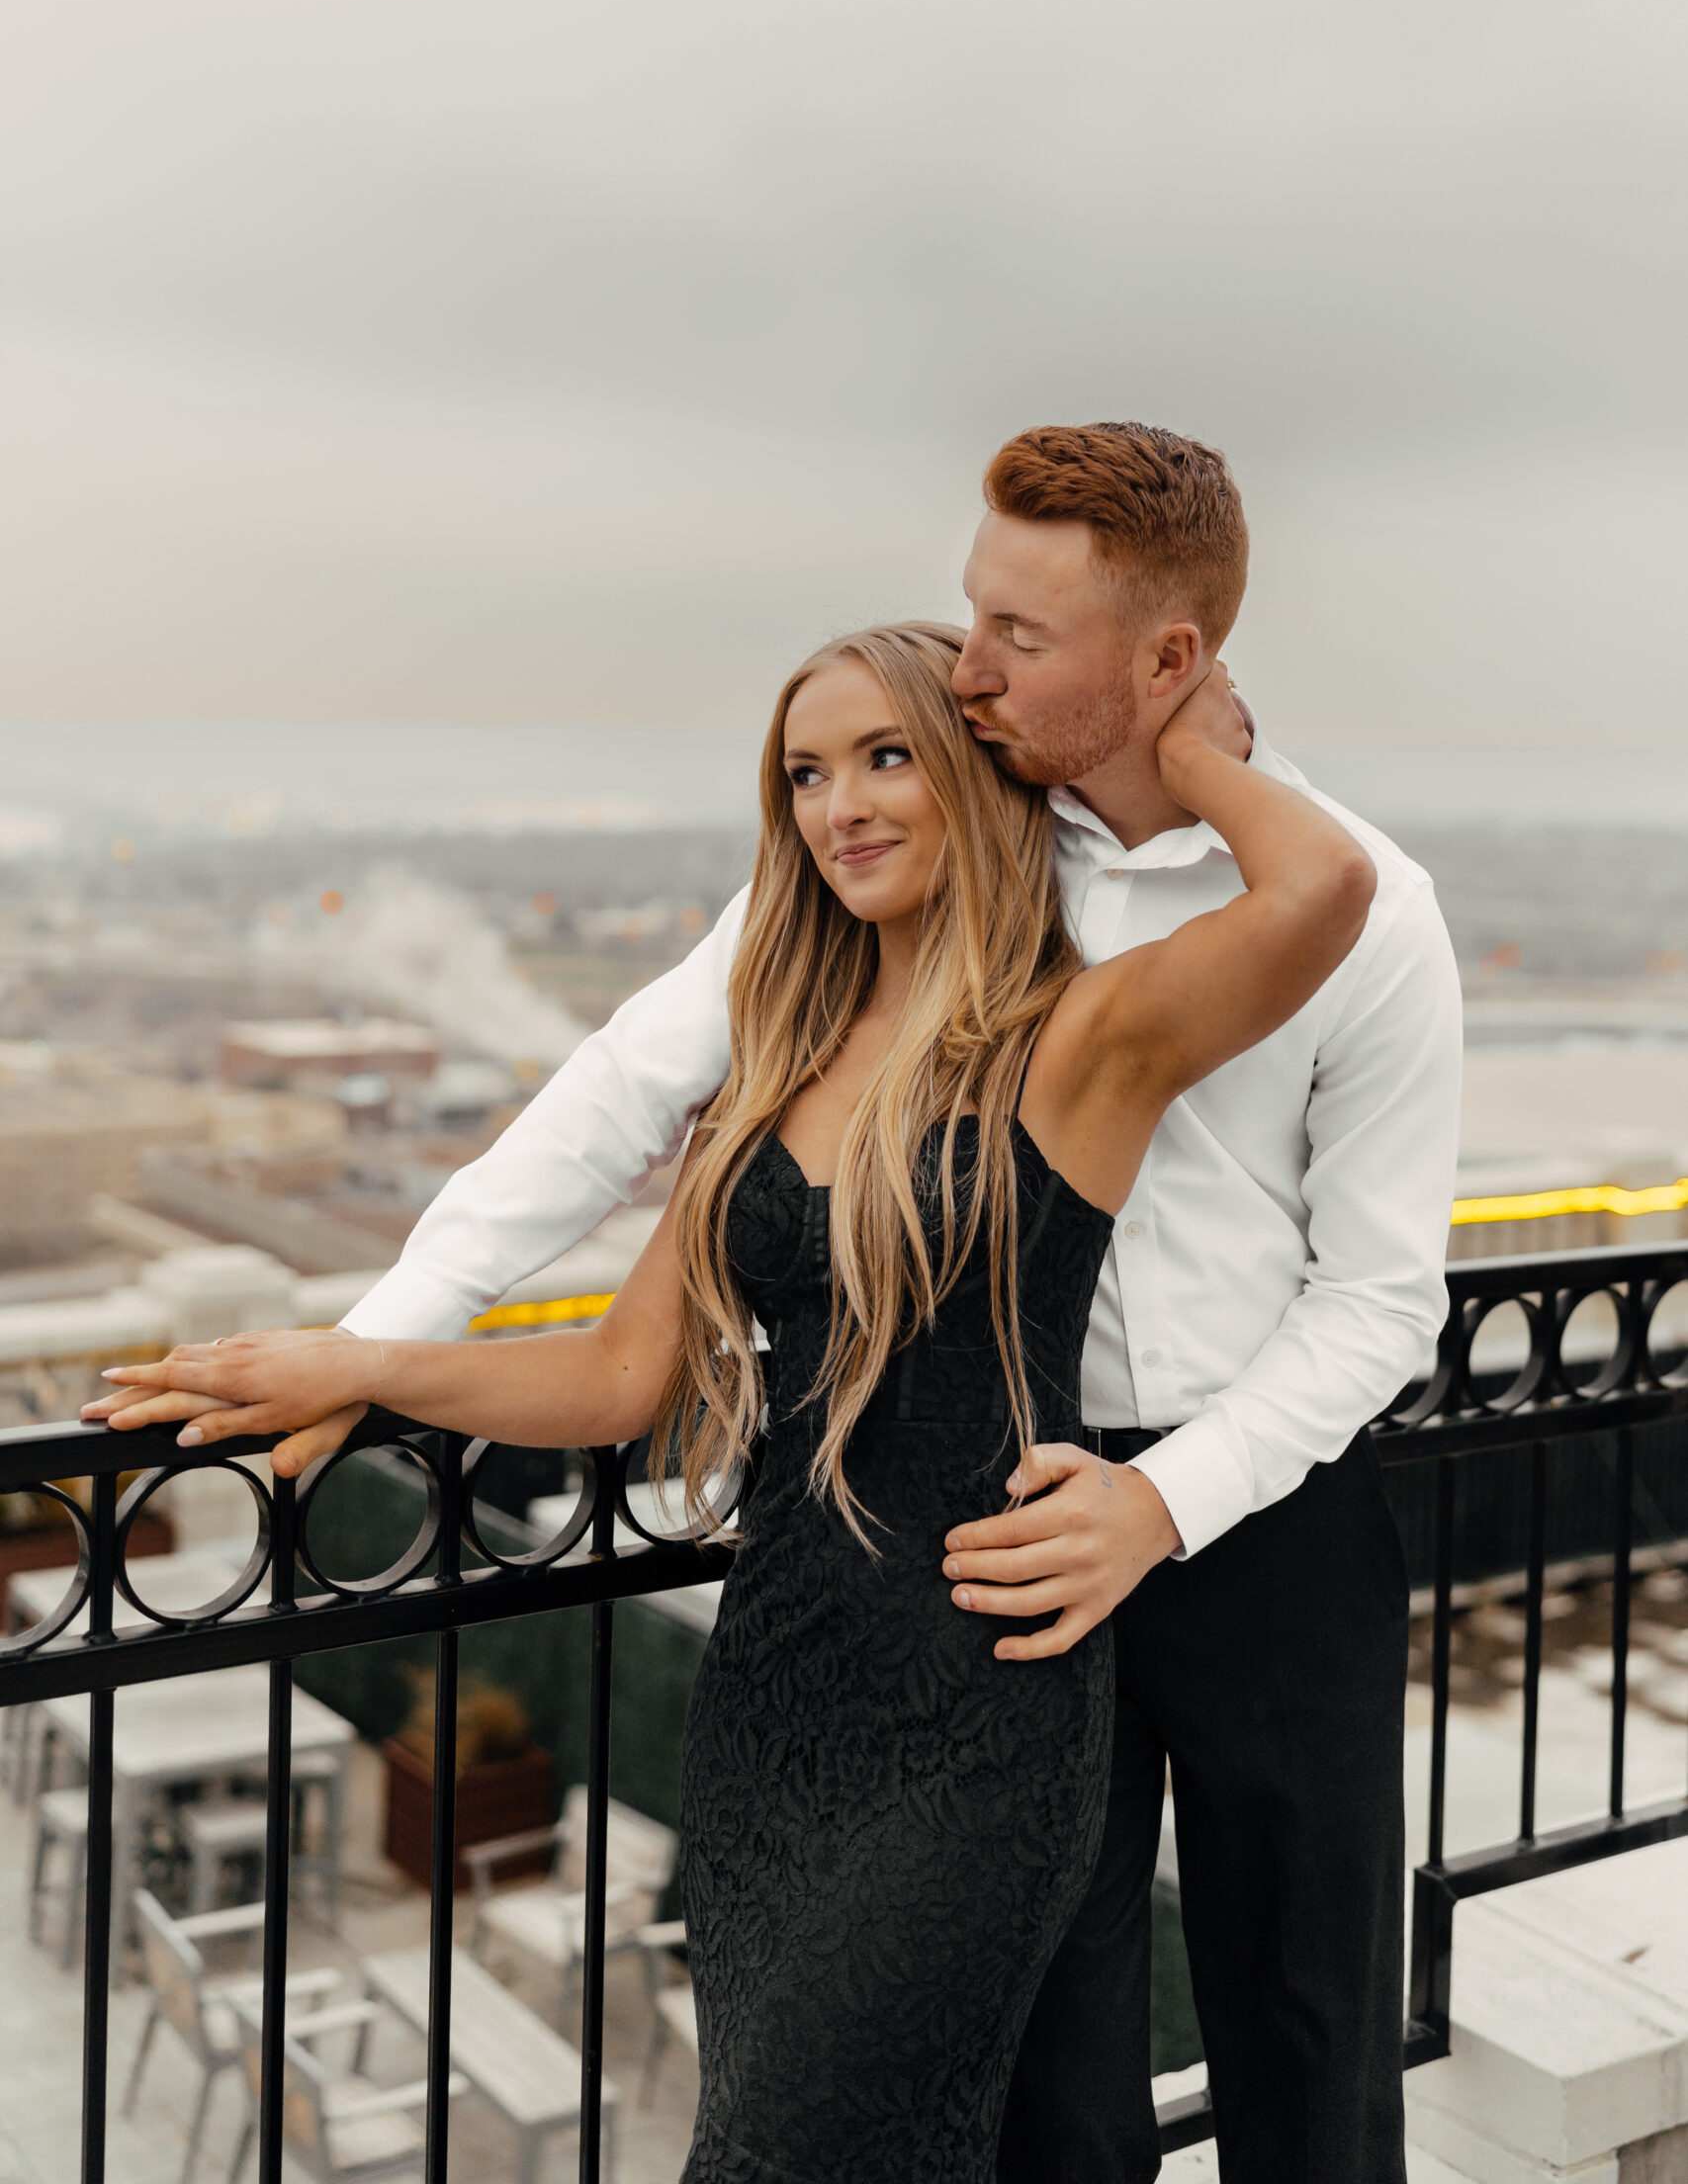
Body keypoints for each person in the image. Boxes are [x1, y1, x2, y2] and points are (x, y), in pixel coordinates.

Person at [90, 616, 1376, 2184]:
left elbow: (1322, 891)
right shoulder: (772, 1060)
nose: (843, 805)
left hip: (979, 1706)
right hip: (776, 1695)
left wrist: (1175, 734)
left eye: (889, 756)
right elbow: (623, 1373)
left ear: (982, 772)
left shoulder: (1082, 1039)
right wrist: (368, 1361)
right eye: (807, 775)